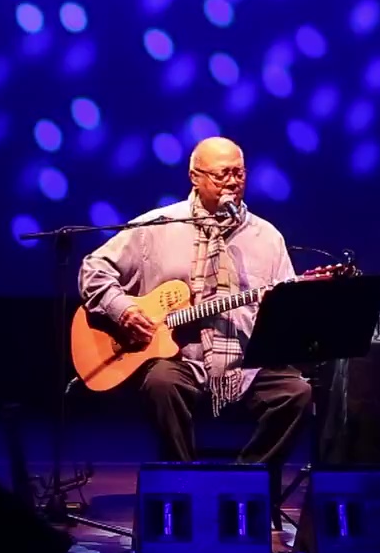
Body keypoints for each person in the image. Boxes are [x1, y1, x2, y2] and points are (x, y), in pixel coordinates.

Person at [78, 136, 312, 469]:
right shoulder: (156, 227)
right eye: (222, 175)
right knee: (162, 383)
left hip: (245, 364)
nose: (232, 182)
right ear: (195, 177)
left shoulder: (267, 237)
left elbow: (285, 313)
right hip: (180, 360)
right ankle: (185, 483)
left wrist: (282, 308)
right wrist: (124, 309)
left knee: (297, 394)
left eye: (239, 173)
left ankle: (247, 484)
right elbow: (94, 269)